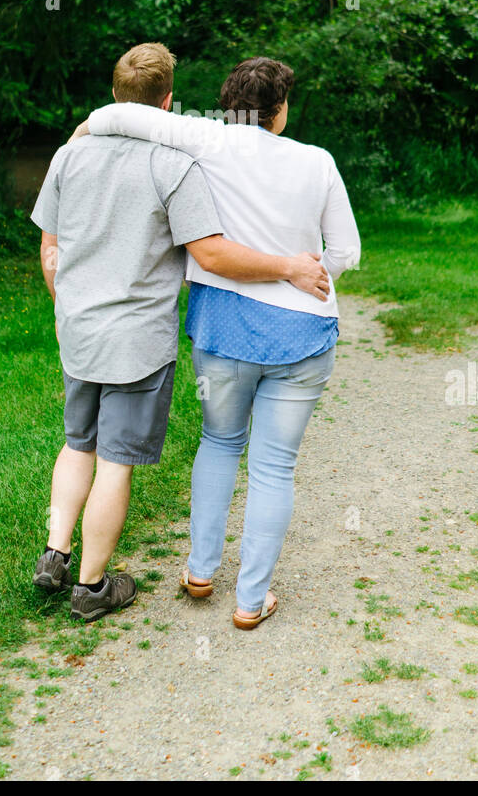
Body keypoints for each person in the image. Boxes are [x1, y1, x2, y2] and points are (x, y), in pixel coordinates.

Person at [30, 43, 330, 622]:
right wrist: (290, 267)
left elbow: (50, 247)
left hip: (79, 330)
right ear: (167, 100)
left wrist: (67, 308)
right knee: (114, 460)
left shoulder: (71, 157)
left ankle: (56, 549)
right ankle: (91, 587)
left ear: (117, 94)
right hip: (137, 341)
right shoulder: (174, 166)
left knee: (77, 442)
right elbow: (211, 255)